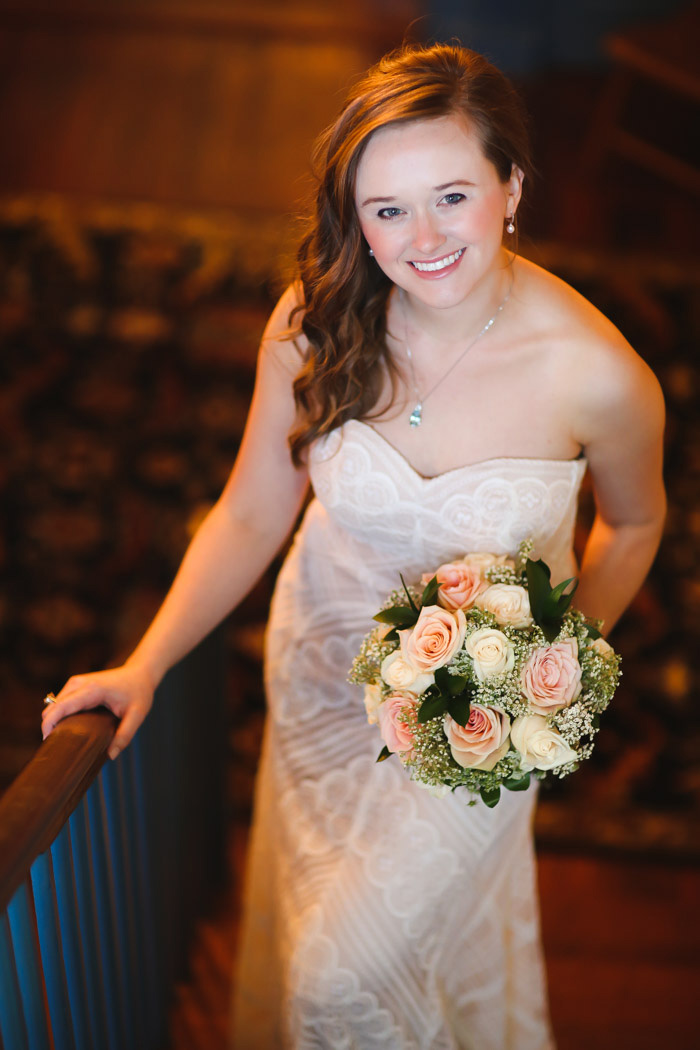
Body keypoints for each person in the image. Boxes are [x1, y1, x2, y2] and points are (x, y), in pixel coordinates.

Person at [42, 43, 665, 1050]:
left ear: (511, 185)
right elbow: (251, 511)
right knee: (322, 915)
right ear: (356, 218)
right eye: (386, 210)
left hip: (478, 718)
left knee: (335, 986)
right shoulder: (315, 320)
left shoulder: (596, 373)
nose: (422, 240)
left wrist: (552, 662)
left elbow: (634, 524)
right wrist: (146, 664)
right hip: (323, 667)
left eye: (451, 196)